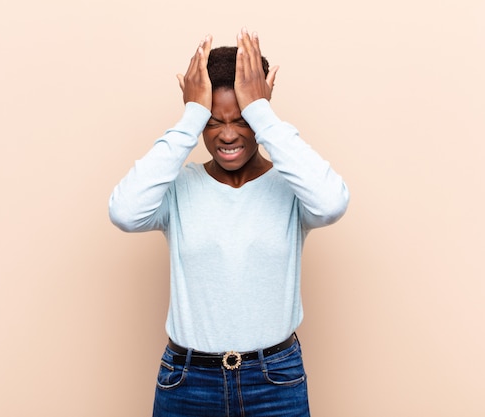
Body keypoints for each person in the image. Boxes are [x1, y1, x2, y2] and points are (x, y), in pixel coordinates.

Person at [109, 28, 350, 417]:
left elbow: (332, 202)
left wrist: (262, 111)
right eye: (212, 122)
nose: (226, 135)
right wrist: (191, 115)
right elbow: (124, 211)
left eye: (241, 119)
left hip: (275, 380)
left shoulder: (290, 188)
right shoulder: (179, 189)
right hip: (188, 382)